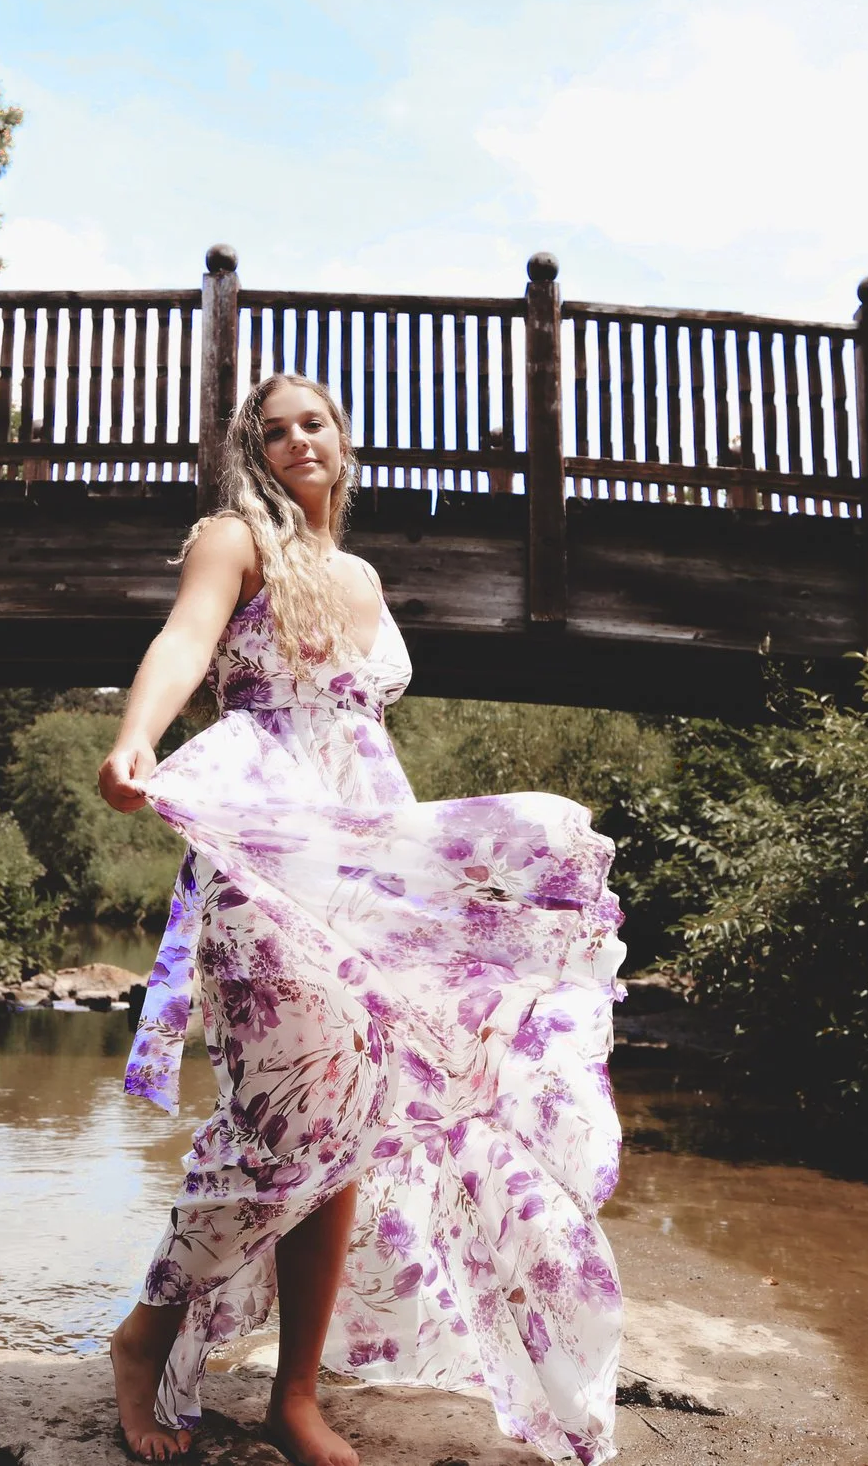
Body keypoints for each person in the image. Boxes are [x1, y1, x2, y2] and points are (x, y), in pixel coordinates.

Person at [95, 371, 627, 1466]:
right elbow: (186, 640)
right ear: (255, 448)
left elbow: (359, 736)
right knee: (282, 1112)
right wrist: (136, 735)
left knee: (357, 1118)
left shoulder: (366, 576)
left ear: (343, 438)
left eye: (316, 422)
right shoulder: (232, 537)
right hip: (261, 837)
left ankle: (296, 1395)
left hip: (361, 846)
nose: (299, 439)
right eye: (276, 428)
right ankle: (145, 1331)